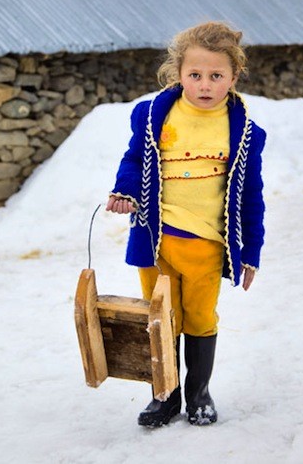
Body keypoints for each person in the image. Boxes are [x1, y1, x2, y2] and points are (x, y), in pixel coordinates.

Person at [106, 21, 266, 427]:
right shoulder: (152, 117)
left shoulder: (244, 132)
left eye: (216, 76)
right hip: (156, 243)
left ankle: (199, 394)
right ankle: (165, 395)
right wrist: (124, 190)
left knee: (199, 320)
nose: (205, 84)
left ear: (233, 77)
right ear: (179, 74)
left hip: (207, 247)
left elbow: (251, 198)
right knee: (161, 319)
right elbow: (134, 161)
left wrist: (251, 253)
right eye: (195, 75)